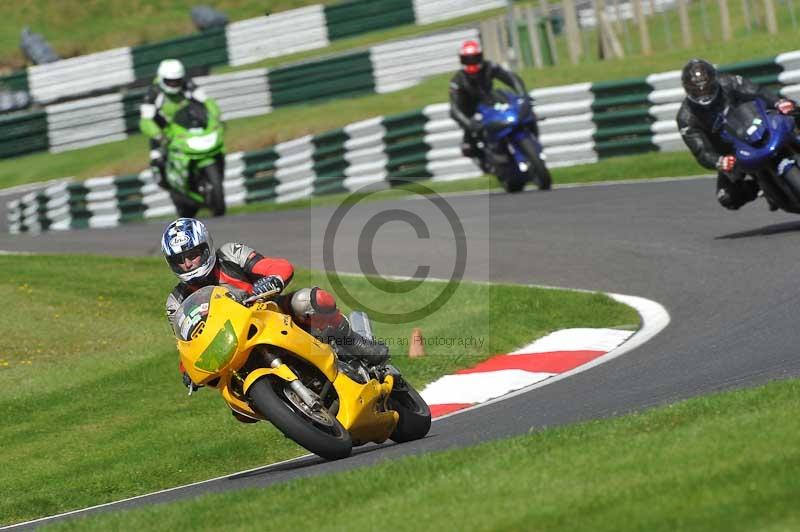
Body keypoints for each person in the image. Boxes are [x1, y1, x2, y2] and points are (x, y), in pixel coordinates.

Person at [161, 218, 389, 422]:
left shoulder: (230, 254)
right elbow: (186, 344)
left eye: (193, 254)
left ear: (206, 247)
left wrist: (270, 281)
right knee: (239, 411)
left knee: (310, 300)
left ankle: (356, 342)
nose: (188, 263)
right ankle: (289, 412)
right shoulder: (176, 301)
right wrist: (186, 370)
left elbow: (278, 266)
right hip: (231, 348)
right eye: (180, 260)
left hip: (270, 315)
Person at [677, 58, 797, 211]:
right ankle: (760, 187)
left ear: (715, 81)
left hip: (757, 126)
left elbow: (757, 91)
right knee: (727, 197)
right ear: (687, 89)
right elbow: (701, 151)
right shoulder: (686, 118)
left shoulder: (729, 82)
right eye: (697, 91)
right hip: (731, 152)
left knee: (792, 111)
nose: (703, 94)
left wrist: (778, 102)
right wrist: (720, 161)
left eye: (707, 89)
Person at [449, 39, 538, 172]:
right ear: (462, 60)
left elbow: (511, 78)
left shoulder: (489, 67)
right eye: (468, 59)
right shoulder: (457, 80)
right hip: (470, 110)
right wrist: (468, 122)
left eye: (474, 58)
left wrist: (522, 95)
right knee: (469, 145)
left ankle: (531, 143)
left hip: (489, 102)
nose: (472, 63)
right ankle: (486, 162)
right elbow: (455, 108)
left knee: (527, 114)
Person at [139, 59, 221, 189]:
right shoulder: (153, 93)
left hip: (188, 126)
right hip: (164, 133)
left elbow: (207, 100)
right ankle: (171, 185)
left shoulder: (187, 84)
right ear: (161, 78)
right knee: (157, 161)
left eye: (177, 80)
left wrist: (215, 117)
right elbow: (145, 120)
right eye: (170, 81)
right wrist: (159, 135)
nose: (174, 84)